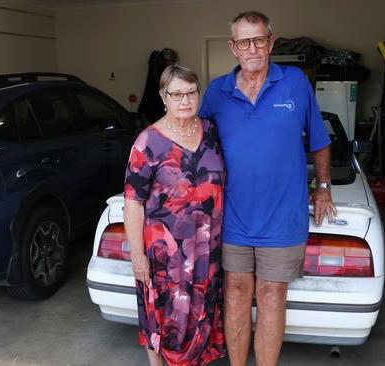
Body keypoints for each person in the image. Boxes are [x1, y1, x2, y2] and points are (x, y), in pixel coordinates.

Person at [199, 11, 336, 366]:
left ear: (271, 42)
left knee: (273, 294)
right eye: (244, 41)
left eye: (259, 39)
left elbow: (319, 141)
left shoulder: (295, 83)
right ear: (233, 48)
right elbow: (194, 143)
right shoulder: (217, 91)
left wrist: (323, 187)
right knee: (236, 292)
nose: (252, 48)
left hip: (283, 215)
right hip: (233, 215)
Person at [123, 64, 226, 366]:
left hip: (208, 252)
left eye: (191, 92)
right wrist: (138, 256)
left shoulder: (211, 132)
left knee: (201, 314)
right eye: (177, 93)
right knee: (163, 319)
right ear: (163, 96)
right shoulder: (147, 142)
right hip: (165, 256)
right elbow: (133, 203)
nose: (185, 100)